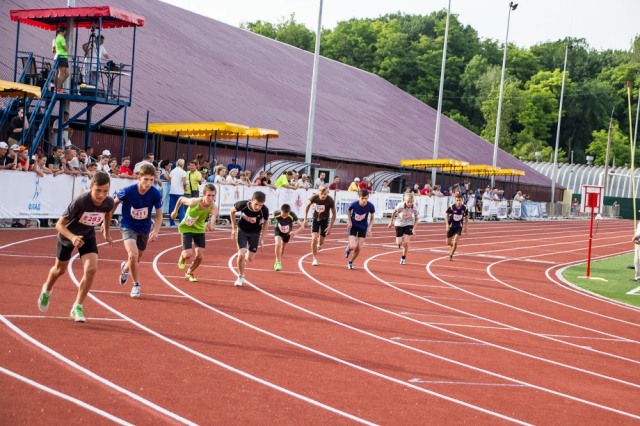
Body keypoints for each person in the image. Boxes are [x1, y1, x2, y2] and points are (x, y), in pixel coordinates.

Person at [37, 171, 114, 323]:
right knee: (60, 270)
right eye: (98, 190)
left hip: (87, 235)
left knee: (91, 269)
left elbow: (107, 213)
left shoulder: (108, 202)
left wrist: (106, 231)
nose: (101, 195)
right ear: (91, 187)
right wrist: (72, 238)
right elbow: (58, 225)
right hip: (68, 235)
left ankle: (77, 306)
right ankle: (46, 289)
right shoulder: (80, 201)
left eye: (105, 191)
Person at [112, 164, 163, 298]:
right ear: (139, 178)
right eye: (146, 179)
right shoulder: (128, 190)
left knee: (137, 257)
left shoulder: (155, 193)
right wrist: (106, 222)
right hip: (128, 225)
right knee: (133, 255)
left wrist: (156, 231)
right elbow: (114, 203)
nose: (148, 183)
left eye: (152, 180)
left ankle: (125, 268)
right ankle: (136, 285)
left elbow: (159, 214)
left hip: (144, 227)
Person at [171, 183, 218, 282]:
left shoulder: (213, 208)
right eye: (208, 195)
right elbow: (180, 199)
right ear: (204, 195)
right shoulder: (193, 202)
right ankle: (183, 257)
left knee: (200, 256)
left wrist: (210, 225)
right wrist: (175, 212)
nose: (211, 198)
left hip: (199, 230)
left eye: (213, 196)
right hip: (187, 228)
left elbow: (212, 224)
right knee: (188, 254)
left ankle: (189, 272)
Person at [229, 191, 269, 287]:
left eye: (260, 205)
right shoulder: (243, 205)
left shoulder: (264, 210)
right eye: (256, 204)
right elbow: (232, 211)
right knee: (241, 254)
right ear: (251, 200)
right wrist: (233, 228)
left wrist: (263, 238)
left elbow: (266, 223)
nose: (258, 207)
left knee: (250, 258)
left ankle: (244, 260)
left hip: (255, 233)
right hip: (242, 231)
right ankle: (241, 276)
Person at [303, 184, 337, 266]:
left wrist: (330, 227)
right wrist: (305, 219)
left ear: (328, 193)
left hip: (324, 220)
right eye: (321, 194)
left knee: (321, 242)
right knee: (314, 239)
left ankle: (320, 244)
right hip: (315, 219)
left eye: (325, 194)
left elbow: (334, 214)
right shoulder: (314, 197)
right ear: (319, 192)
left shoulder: (330, 200)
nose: (323, 196)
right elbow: (307, 206)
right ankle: (314, 258)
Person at [344, 189, 375, 270]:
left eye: (366, 199)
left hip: (363, 227)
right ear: (359, 197)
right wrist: (349, 221)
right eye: (362, 198)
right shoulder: (354, 204)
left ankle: (351, 262)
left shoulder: (370, 206)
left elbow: (372, 218)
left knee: (358, 247)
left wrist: (369, 228)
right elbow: (348, 210)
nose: (364, 200)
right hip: (353, 226)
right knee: (353, 246)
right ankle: (348, 248)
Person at [388, 193, 419, 265]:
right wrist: (391, 222)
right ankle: (399, 242)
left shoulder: (414, 207)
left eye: (411, 202)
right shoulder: (400, 206)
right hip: (399, 223)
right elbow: (393, 213)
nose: (410, 203)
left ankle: (403, 258)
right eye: (408, 202)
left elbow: (417, 219)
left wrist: (414, 229)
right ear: (405, 200)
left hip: (409, 223)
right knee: (398, 242)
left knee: (406, 242)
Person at [273, 203, 304, 271]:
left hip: (287, 233)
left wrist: (295, 232)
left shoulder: (292, 215)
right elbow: (270, 212)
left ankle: (278, 261)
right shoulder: (276, 213)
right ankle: (278, 262)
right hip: (278, 230)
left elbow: (302, 226)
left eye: (286, 216)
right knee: (277, 244)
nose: (284, 217)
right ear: (280, 211)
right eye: (283, 215)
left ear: (289, 213)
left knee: (283, 247)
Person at [445, 193, 469, 261]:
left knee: (455, 241)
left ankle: (451, 255)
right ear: (455, 200)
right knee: (448, 243)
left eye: (460, 200)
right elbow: (446, 214)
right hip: (451, 226)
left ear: (462, 200)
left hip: (459, 226)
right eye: (457, 200)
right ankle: (452, 246)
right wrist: (446, 224)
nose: (458, 202)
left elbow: (467, 216)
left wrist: (466, 226)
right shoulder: (452, 207)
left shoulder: (465, 208)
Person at [169, 159, 187, 227]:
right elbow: (184, 183)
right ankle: (182, 222)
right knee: (181, 208)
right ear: (183, 164)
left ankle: (172, 223)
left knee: (172, 207)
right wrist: (185, 188)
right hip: (179, 191)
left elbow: (170, 180)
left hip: (172, 191)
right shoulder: (183, 172)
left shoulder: (172, 171)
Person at [54, 26, 69, 92]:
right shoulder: (61, 38)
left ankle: (58, 86)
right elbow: (66, 48)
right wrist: (67, 47)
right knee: (61, 73)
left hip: (63, 57)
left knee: (67, 73)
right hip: (61, 56)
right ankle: (57, 88)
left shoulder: (57, 37)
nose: (66, 33)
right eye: (65, 31)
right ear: (63, 31)